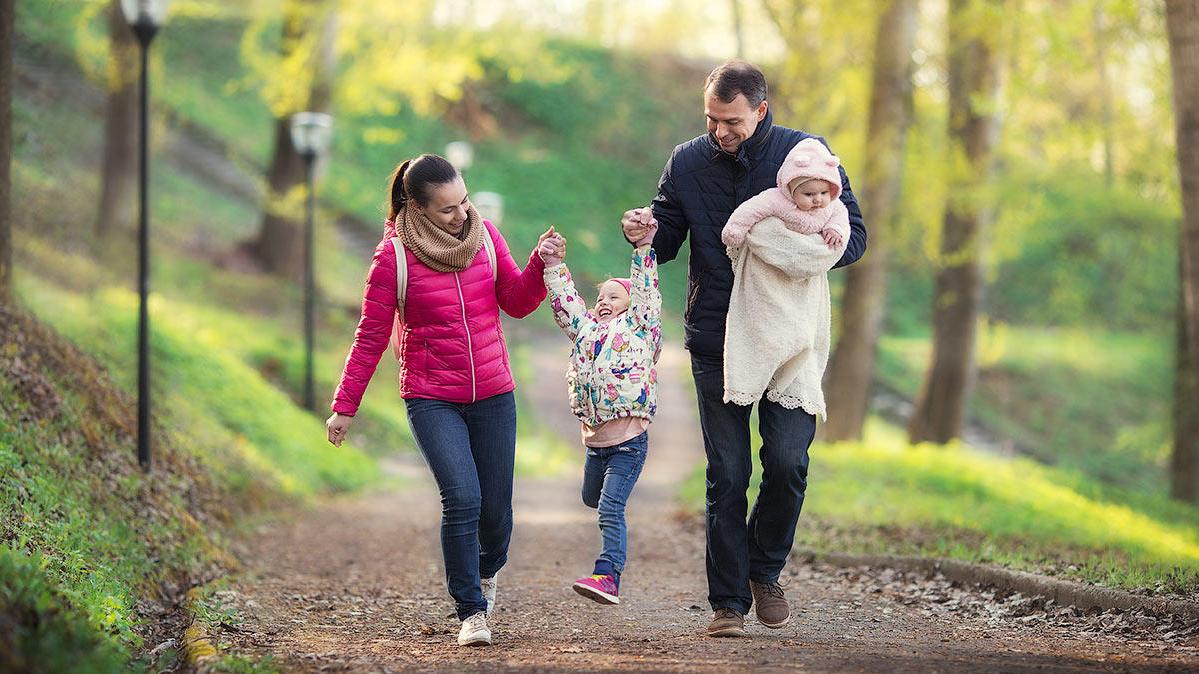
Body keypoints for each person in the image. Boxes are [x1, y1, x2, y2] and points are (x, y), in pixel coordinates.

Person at [620, 60, 866, 638]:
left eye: (730, 120)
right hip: (717, 335)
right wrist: (643, 234)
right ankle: (727, 603)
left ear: (760, 109)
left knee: (786, 462)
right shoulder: (686, 161)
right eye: (711, 118)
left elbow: (853, 234)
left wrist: (799, 251)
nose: (718, 130)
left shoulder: (804, 156)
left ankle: (764, 569)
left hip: (789, 340)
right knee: (727, 473)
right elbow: (667, 240)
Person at [325, 153, 557, 647]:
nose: (462, 215)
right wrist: (346, 405)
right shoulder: (394, 256)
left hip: (494, 392)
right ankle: (471, 611)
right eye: (448, 209)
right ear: (417, 206)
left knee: (497, 513)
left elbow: (515, 302)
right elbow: (370, 335)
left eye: (465, 201)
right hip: (432, 396)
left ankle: (487, 573)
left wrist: (539, 264)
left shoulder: (486, 237)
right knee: (463, 499)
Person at [538, 226, 661, 605]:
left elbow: (645, 294)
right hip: (594, 442)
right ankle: (608, 508)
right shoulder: (586, 330)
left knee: (609, 507)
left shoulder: (640, 329)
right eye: (601, 296)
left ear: (631, 303)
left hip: (628, 442)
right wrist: (554, 263)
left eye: (614, 295)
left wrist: (642, 248)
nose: (604, 300)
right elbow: (566, 303)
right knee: (592, 498)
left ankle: (608, 575)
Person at [719, 137, 850, 419]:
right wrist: (735, 231)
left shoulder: (833, 206)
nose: (817, 200)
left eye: (823, 193)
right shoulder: (776, 201)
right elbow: (750, 211)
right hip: (767, 286)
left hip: (805, 286)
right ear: (791, 190)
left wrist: (836, 231)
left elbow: (844, 221)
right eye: (808, 194)